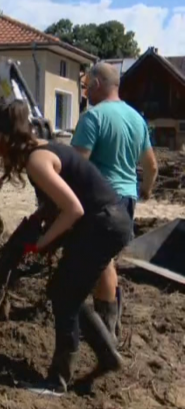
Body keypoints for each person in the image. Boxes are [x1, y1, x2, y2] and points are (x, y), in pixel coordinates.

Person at [0, 100, 132, 394]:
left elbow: (73, 209)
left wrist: (41, 243)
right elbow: (61, 205)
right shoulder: (41, 150)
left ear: (4, 136)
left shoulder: (37, 160)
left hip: (102, 224)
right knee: (66, 293)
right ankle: (107, 355)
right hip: (108, 222)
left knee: (64, 294)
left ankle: (58, 379)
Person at [71, 61, 158, 339]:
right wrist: (145, 189)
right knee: (109, 258)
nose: (85, 92)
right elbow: (151, 166)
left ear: (97, 83)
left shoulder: (93, 117)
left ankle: (107, 331)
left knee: (102, 260)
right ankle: (111, 320)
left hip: (101, 200)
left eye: (87, 86)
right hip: (128, 197)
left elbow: (77, 165)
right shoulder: (136, 118)